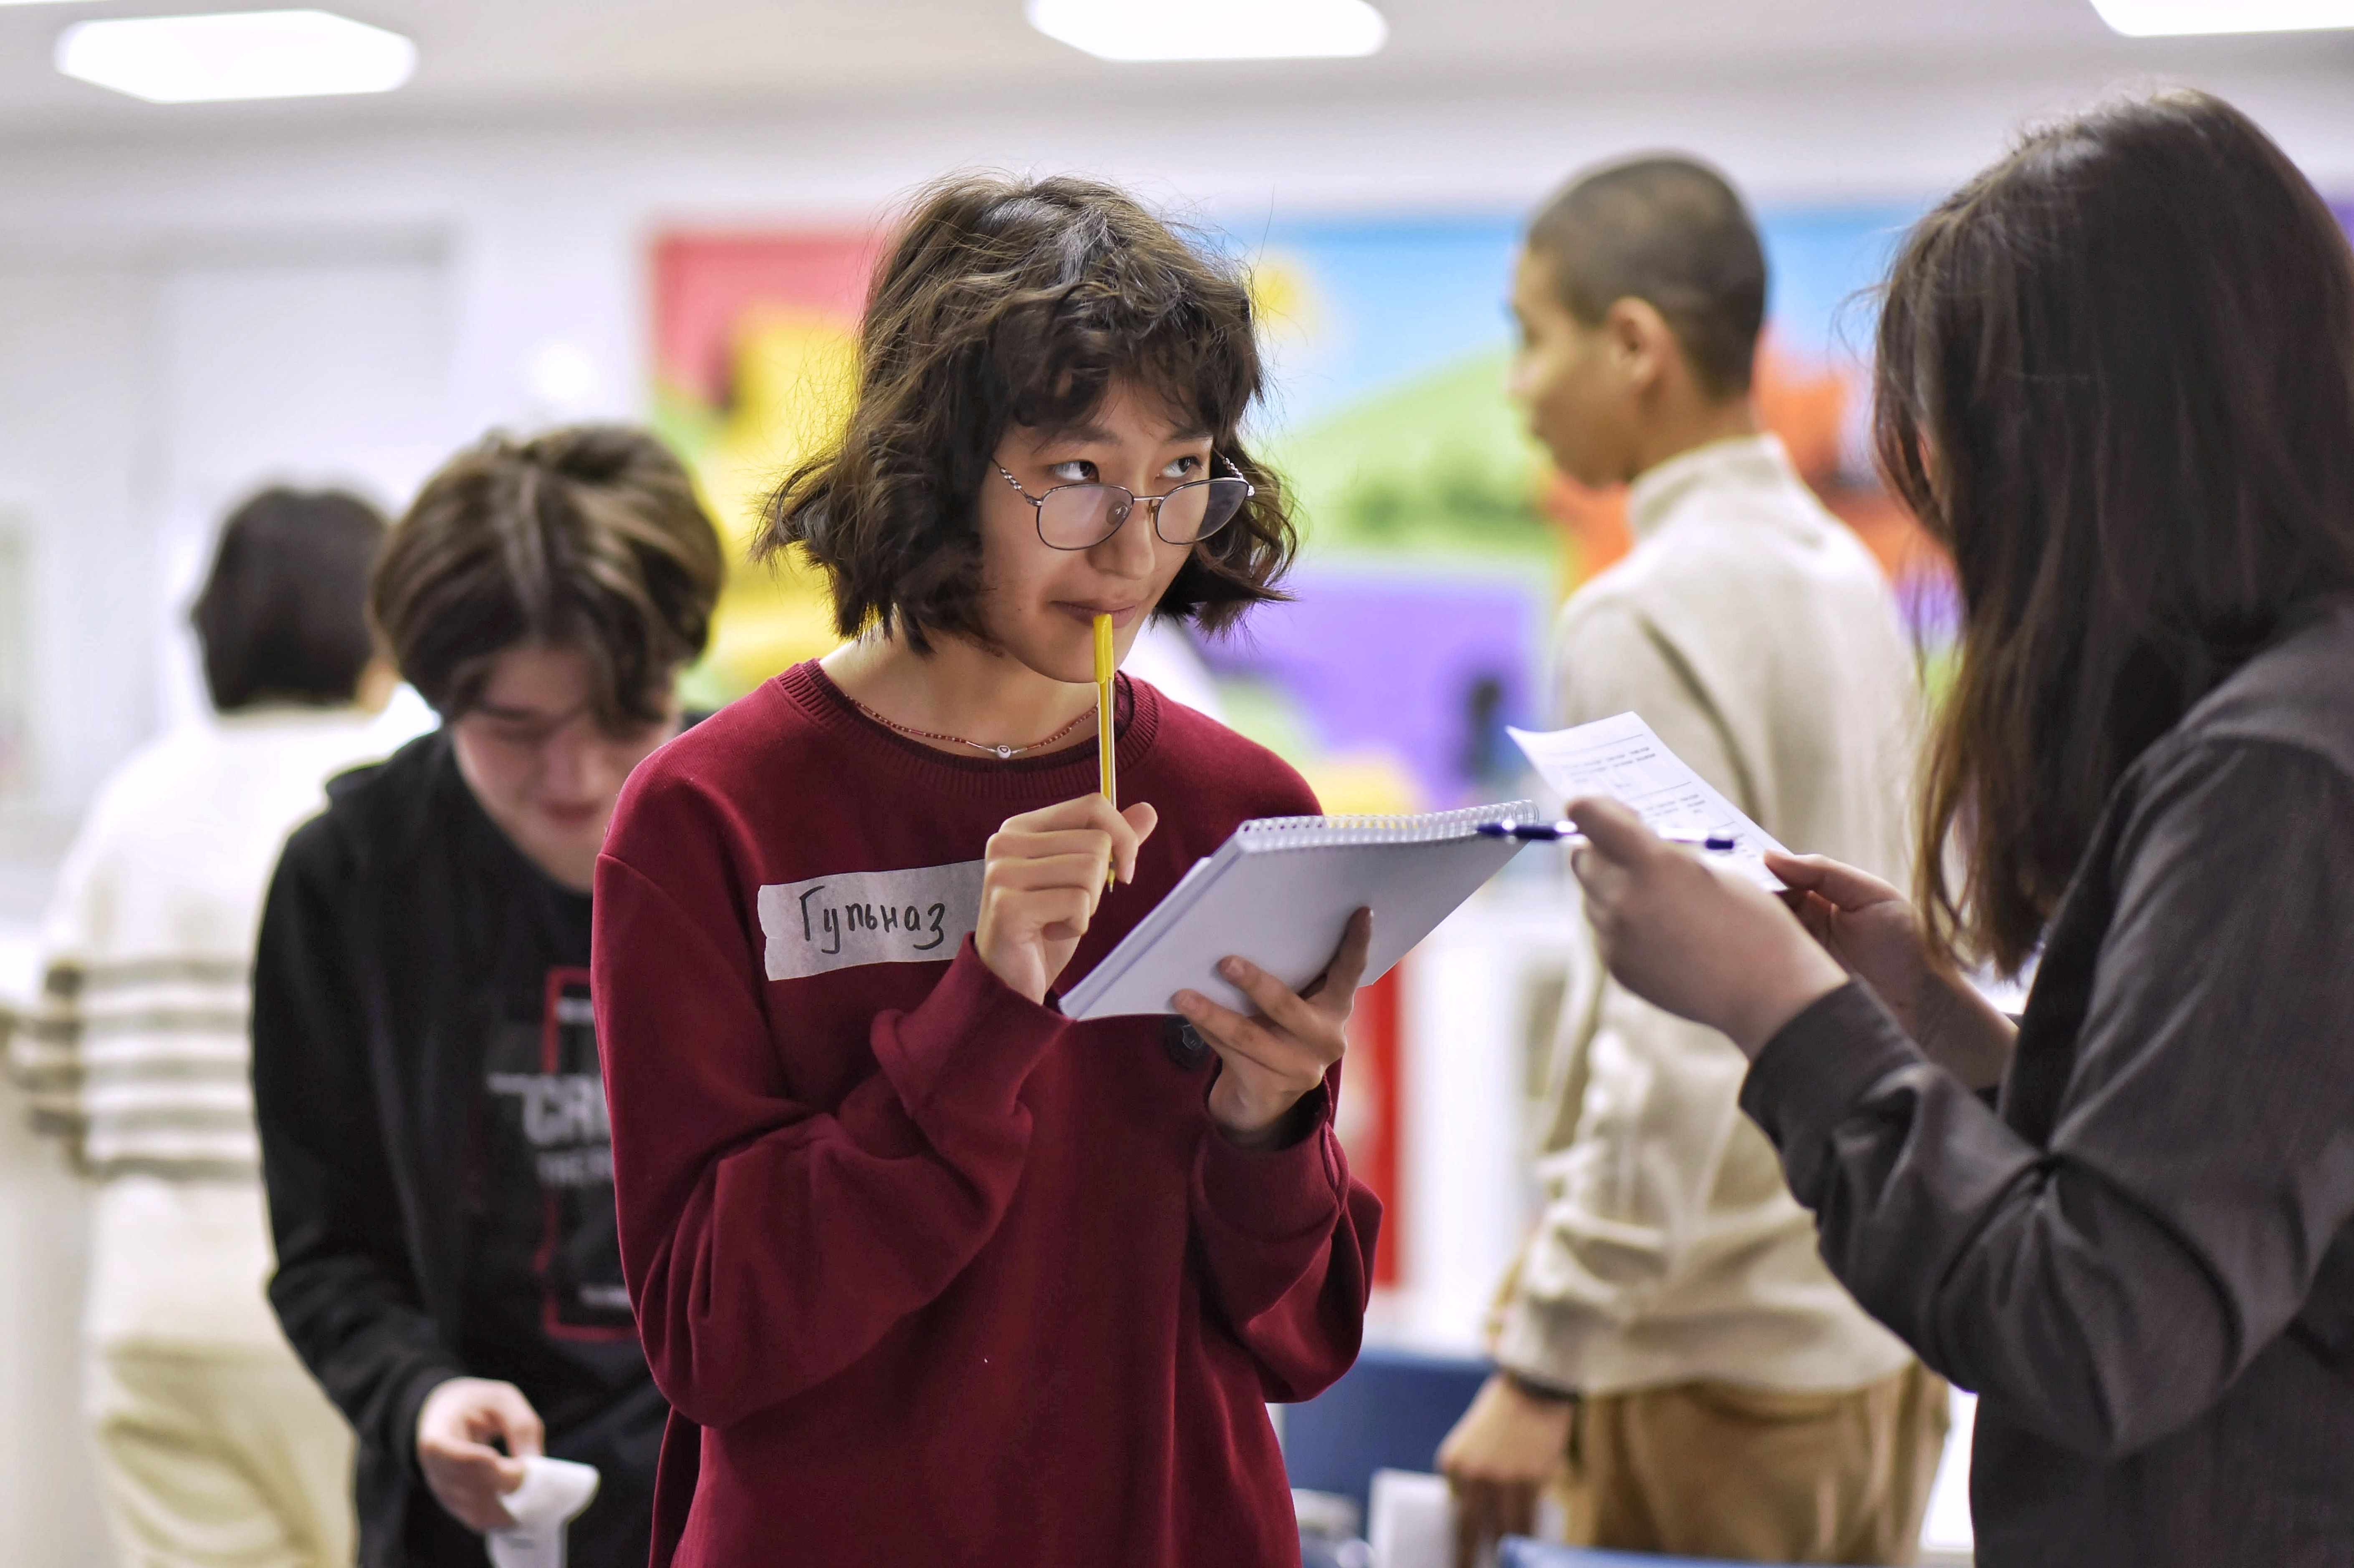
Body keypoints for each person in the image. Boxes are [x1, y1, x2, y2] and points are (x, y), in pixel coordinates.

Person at [1561, 91, 2354, 1568]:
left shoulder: (2281, 778)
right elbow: (2207, 1182)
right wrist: (1928, 1017)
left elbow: (2097, 1332)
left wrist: (1779, 1008)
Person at [592, 174, 1381, 1568]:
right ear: (937, 463)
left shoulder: (1241, 807)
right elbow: (715, 1334)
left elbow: (1302, 1338)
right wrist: (981, 1010)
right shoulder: (711, 817)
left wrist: (1271, 1122)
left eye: (1182, 471)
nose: (1135, 548)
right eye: (1076, 474)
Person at [1438, 155, 1943, 1566]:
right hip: (1873, 1333)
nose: (1519, 384)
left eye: (1529, 334)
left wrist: (1547, 1360)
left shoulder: (1642, 609)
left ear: (1636, 345)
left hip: (1708, 1369)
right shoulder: (1844, 573)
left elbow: (1670, 1029)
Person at [251, 426, 725, 1568]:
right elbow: (329, 1250)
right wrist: (419, 1397)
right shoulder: (355, 880)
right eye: (515, 729)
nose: (578, 777)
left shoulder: (755, 837)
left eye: (625, 718)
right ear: (432, 695)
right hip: (473, 1524)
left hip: (740, 1500)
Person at [4, 487, 399, 1568]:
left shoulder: (131, 803)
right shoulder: (391, 800)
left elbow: (54, 1078)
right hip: (358, 1326)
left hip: (153, 1313)